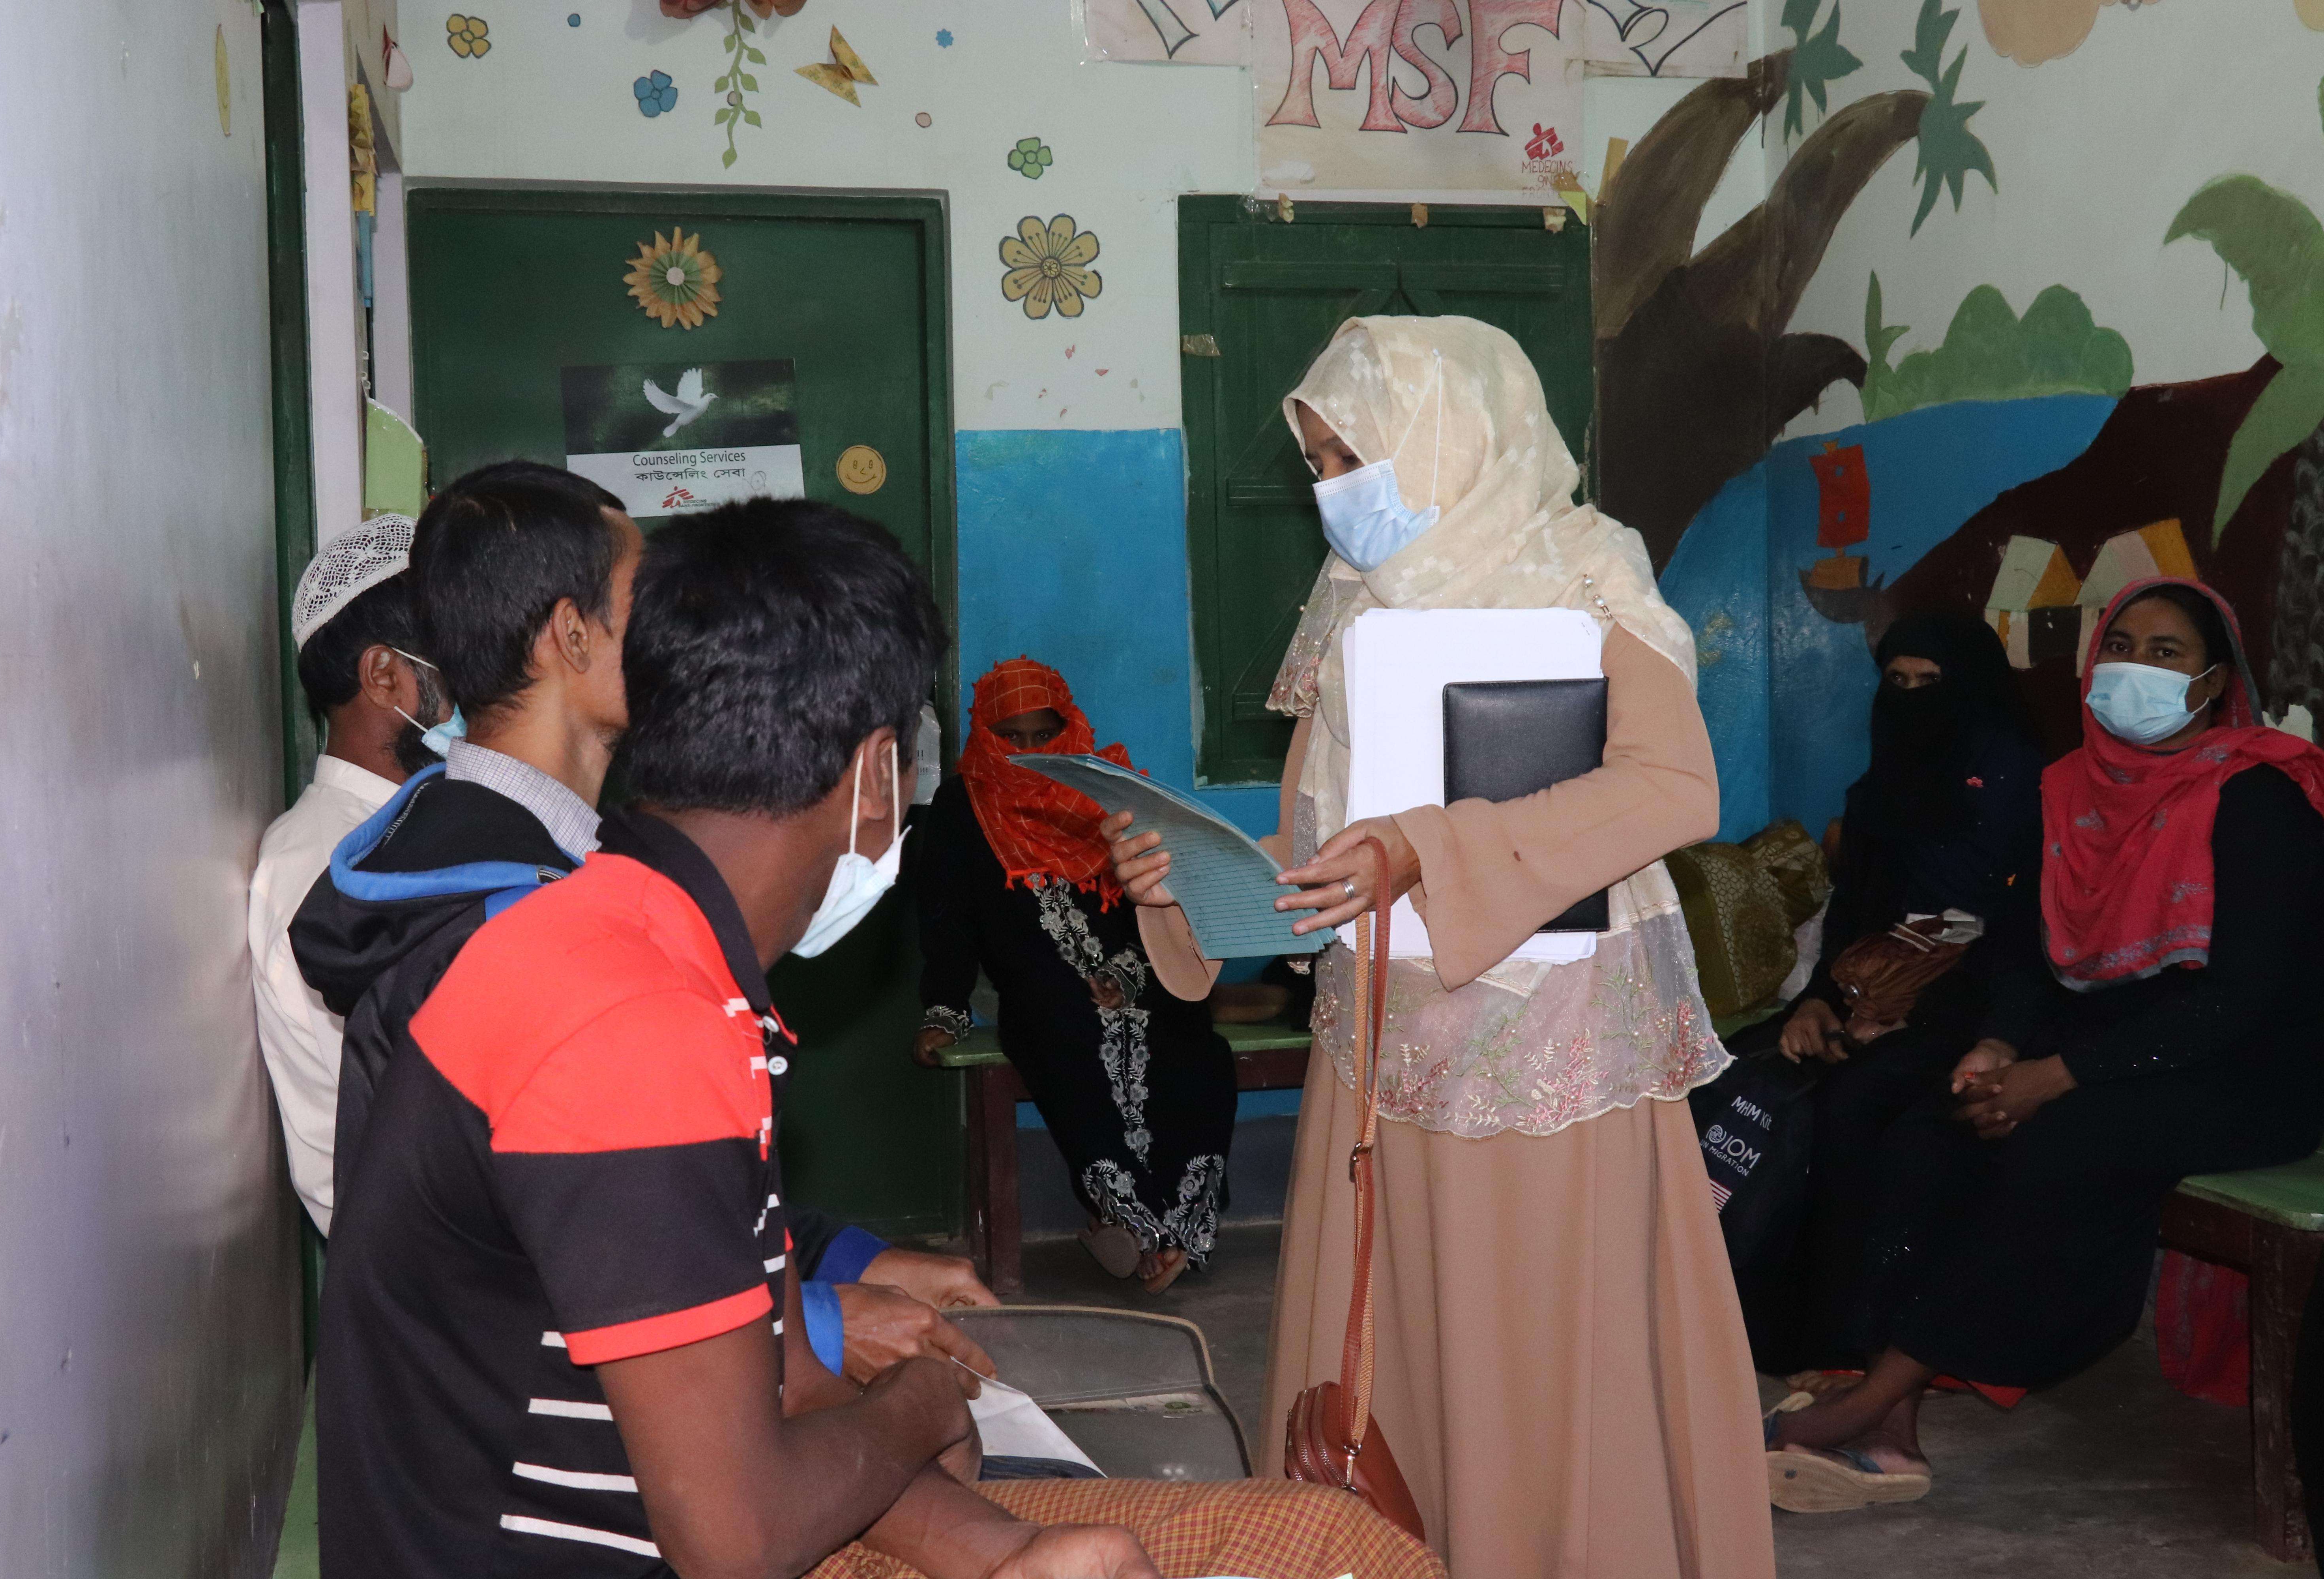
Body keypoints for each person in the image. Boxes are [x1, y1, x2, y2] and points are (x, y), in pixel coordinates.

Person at [317, 497, 1446, 1579]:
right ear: (876, 776)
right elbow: (740, 1538)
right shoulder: (629, 1022)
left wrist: (1002, 1553)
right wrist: (918, 1408)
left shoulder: (640, 946)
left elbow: (787, 1378)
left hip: (678, 1525)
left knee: (1310, 1544)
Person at [1109, 316, 1774, 1578]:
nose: (1329, 494)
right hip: (1382, 1075)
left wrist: (1434, 848)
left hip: (1551, 1065)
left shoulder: (1586, 574)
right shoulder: (1355, 609)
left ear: (1446, 432)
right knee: (1393, 1365)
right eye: (1314, 467)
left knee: (1547, 1356)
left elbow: (1676, 791)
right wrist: (1184, 887)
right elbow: (1316, 850)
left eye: (1344, 456)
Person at [290, 461, 991, 1381]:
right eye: (647, 594)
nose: (678, 623)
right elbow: (529, 1248)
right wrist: (816, 1323)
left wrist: (839, 1258)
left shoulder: (569, 851)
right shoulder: (503, 917)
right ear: (571, 636)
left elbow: (643, 1184)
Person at [1761, 579, 2324, 1512]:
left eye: (2167, 652)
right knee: (1928, 1129)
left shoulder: (2260, 798)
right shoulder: (2073, 789)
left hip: (2245, 1072)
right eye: (2122, 644)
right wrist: (1995, 1044)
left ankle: (1873, 1398)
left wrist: (2056, 1074)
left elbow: (2240, 1000)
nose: (2136, 666)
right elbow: (2023, 950)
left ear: (2214, 680)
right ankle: (1894, 1435)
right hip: (2102, 1050)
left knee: (2056, 1143)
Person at [1727, 611, 2045, 1372]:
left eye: (1930, 685)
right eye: (1896, 684)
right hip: (1875, 983)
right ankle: (1751, 1314)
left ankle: (1853, 1338)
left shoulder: (2024, 779)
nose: (1910, 701)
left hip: (1985, 1000)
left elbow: (2022, 925)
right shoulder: (1882, 784)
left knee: (1857, 1102)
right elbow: (1858, 905)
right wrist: (1818, 1002)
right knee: (1742, 1069)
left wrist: (1919, 1012)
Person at [914, 659, 1236, 1293]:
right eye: (1014, 736)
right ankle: (1129, 1219)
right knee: (1063, 1032)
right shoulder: (963, 804)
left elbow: (1159, 901)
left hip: (1135, 973)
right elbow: (946, 922)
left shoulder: (1111, 791)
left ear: (1070, 725)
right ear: (986, 734)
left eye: (1045, 733)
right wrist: (943, 1010)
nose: (1032, 751)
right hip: (1039, 986)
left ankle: (1180, 1227)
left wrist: (1127, 974)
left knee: (1194, 1045)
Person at [249, 513, 459, 1235]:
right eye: (459, 660)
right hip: (428, 1274)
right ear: (384, 675)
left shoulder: (425, 825)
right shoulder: (324, 863)